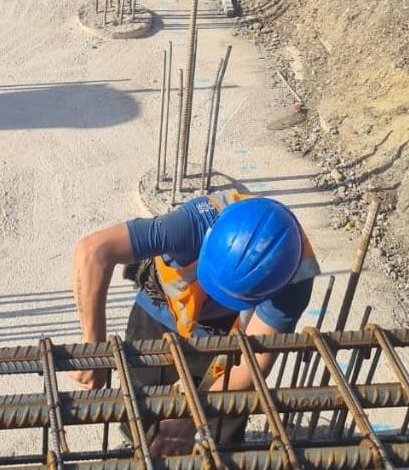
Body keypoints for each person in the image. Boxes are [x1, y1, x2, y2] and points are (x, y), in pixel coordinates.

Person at [69, 192, 320, 456]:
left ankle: (220, 455)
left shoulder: (294, 279)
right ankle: (136, 448)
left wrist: (190, 414)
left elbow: (251, 366)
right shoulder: (192, 224)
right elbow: (93, 250)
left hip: (227, 335)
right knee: (141, 403)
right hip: (160, 310)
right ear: (209, 238)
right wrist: (93, 346)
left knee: (228, 415)